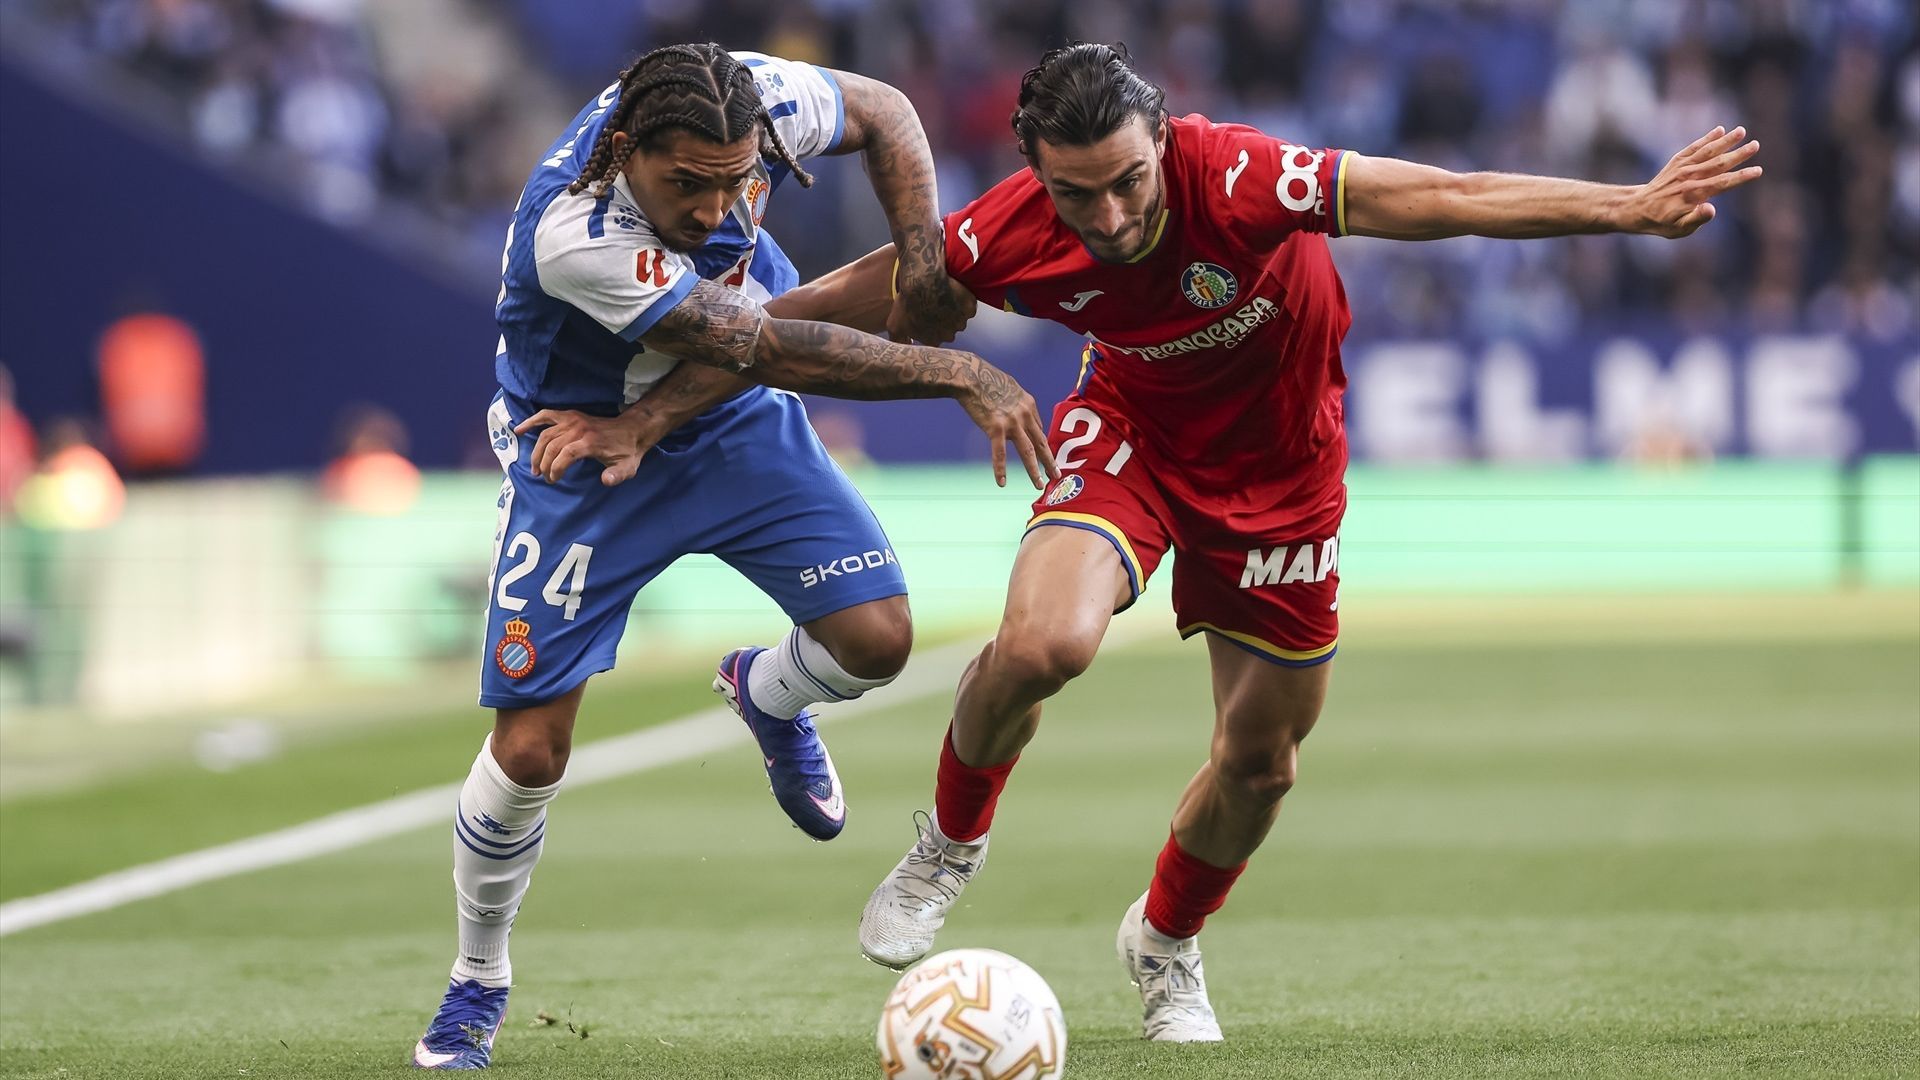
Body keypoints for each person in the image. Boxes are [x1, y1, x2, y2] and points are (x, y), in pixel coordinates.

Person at [610, 41, 1761, 1046]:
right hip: (1135, 440)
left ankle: (1163, 943)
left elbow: (1442, 193)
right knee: (1040, 646)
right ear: (1036, 176)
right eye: (1075, 195)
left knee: (1262, 762)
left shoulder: (1243, 174)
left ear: (1163, 139)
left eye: (1125, 183)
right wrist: (656, 408)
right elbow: (833, 303)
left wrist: (1629, 205)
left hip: (1286, 478)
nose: (1106, 220)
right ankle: (952, 843)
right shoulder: (1013, 228)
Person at [412, 42, 1052, 1070]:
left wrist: (924, 261)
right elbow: (762, 348)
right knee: (530, 750)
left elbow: (885, 111)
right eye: (686, 186)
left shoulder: (756, 97)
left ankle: (767, 693)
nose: (716, 210)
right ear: (626, 152)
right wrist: (956, 368)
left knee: (878, 639)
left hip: (727, 419)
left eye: (735, 178)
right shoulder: (577, 234)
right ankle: (477, 979)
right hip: (588, 448)